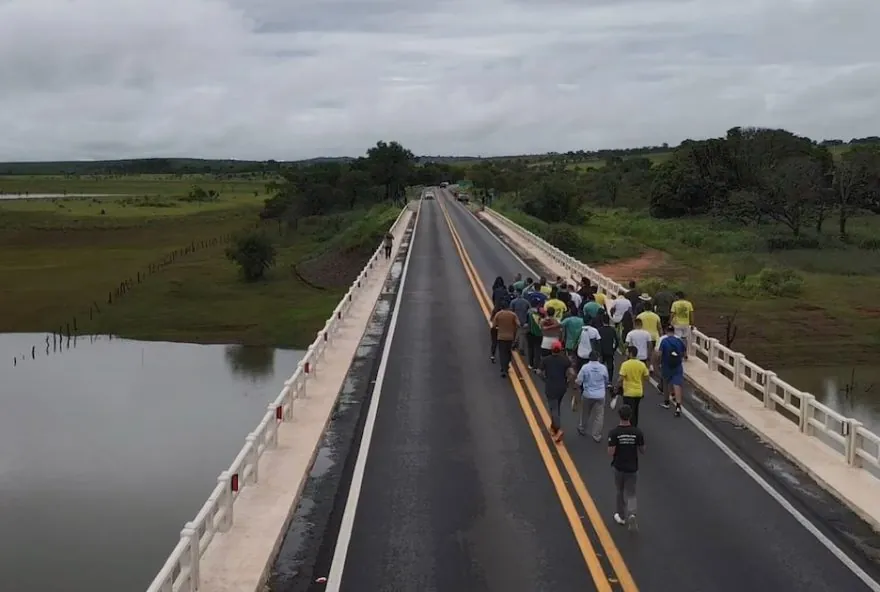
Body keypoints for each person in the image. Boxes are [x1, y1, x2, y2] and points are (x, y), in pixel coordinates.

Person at [608, 404, 645, 531]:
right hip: (633, 467)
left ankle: (621, 516)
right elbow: (643, 450)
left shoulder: (614, 433)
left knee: (620, 491)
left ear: (619, 416)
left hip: (619, 467)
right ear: (630, 416)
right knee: (631, 493)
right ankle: (632, 514)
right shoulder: (637, 432)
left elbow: (611, 452)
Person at [539, 341, 574, 442]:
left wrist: (545, 379)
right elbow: (572, 373)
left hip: (551, 387)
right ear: (560, 349)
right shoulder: (565, 360)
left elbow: (539, 371)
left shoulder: (546, 360)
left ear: (551, 349)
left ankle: (558, 429)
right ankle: (553, 428)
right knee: (557, 407)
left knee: (553, 409)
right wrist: (567, 381)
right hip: (562, 387)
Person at [576, 351, 609, 441]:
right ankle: (596, 435)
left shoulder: (585, 367)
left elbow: (579, 381)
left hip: (588, 394)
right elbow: (606, 380)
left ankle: (582, 428)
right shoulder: (603, 368)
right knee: (599, 415)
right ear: (598, 358)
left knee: (585, 412)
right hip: (600, 395)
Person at [657, 325, 687, 417]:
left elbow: (660, 354)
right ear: (674, 332)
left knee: (666, 383)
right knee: (677, 384)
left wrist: (659, 363)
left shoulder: (664, 341)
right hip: (677, 366)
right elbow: (684, 353)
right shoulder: (679, 341)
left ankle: (666, 402)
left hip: (666, 366)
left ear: (666, 331)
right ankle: (678, 406)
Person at [616, 346, 649, 427]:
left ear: (630, 353)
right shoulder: (641, 364)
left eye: (627, 352)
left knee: (628, 411)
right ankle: (634, 426)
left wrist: (617, 386)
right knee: (635, 410)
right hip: (638, 391)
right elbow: (647, 377)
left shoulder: (625, 364)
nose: (626, 353)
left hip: (628, 392)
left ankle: (628, 427)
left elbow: (621, 378)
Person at [491, 302, 519, 378]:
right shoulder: (513, 314)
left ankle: (503, 369)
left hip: (501, 337)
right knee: (508, 352)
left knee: (502, 353)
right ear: (508, 307)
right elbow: (518, 324)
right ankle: (506, 365)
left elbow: (494, 326)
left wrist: (499, 327)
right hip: (510, 337)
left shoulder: (498, 314)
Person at [670, 291, 694, 359]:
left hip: (677, 324)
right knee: (684, 339)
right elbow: (691, 314)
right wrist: (692, 324)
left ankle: (679, 352)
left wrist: (670, 322)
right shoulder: (689, 304)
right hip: (686, 324)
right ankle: (685, 352)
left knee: (678, 339)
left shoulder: (675, 303)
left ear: (677, 296)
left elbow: (672, 314)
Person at [509, 289, 531, 355]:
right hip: (523, 321)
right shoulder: (526, 302)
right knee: (521, 334)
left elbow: (511, 311)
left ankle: (515, 344)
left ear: (518, 293)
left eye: (516, 292)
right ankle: (519, 347)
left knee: (517, 333)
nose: (515, 293)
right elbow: (529, 312)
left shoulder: (513, 302)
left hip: (515, 320)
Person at [597, 314, 619, 379]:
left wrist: (598, 350)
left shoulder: (599, 330)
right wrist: (613, 349)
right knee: (610, 367)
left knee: (600, 366)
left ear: (602, 321)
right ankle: (610, 380)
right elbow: (617, 341)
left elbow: (597, 341)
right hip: (610, 351)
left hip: (601, 351)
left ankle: (600, 379)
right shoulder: (612, 330)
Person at [525, 305, 545, 370]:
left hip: (530, 334)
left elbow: (527, 322)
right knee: (537, 350)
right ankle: (536, 366)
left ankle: (531, 364)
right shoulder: (543, 319)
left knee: (530, 349)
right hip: (539, 335)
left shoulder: (531, 315)